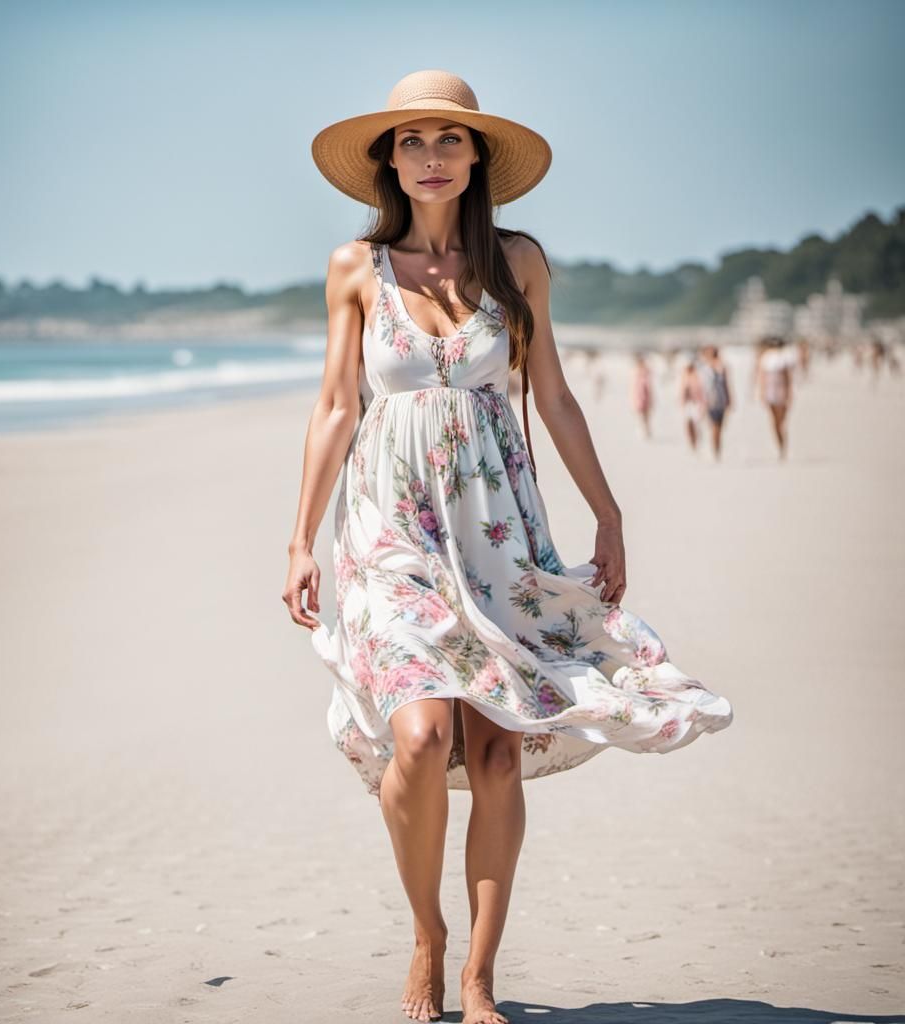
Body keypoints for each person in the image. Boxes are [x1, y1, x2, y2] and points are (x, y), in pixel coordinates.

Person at [284, 70, 734, 1024]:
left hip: (497, 534)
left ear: (477, 156)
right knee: (419, 733)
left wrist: (608, 513)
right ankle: (427, 938)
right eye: (411, 141)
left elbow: (555, 396)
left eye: (450, 140)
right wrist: (299, 539)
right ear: (389, 161)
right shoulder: (354, 269)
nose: (431, 158)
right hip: (388, 528)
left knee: (494, 758)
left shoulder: (518, 262)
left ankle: (480, 977)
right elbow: (335, 406)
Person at [755, 335, 794, 459]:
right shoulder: (766, 358)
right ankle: (781, 446)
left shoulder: (782, 358)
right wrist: (762, 392)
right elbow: (762, 377)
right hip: (771, 391)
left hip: (780, 391)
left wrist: (789, 392)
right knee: (775, 422)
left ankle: (782, 444)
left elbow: (787, 377)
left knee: (780, 421)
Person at [698, 345, 734, 460]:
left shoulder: (721, 366)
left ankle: (717, 449)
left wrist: (730, 398)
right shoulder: (703, 367)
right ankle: (715, 451)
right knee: (714, 427)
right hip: (709, 401)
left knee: (720, 427)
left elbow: (726, 384)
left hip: (721, 399)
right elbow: (701, 387)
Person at [677, 352, 705, 452]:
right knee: (688, 424)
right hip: (686, 403)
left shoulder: (698, 375)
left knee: (696, 423)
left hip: (697, 403)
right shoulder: (683, 374)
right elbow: (680, 389)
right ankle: (691, 442)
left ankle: (697, 441)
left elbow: (702, 390)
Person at [630, 350, 653, 438]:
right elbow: (634, 388)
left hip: (644, 396)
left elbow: (647, 386)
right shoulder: (637, 372)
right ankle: (645, 431)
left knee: (645, 415)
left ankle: (646, 431)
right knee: (642, 415)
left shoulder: (644, 372)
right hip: (639, 396)